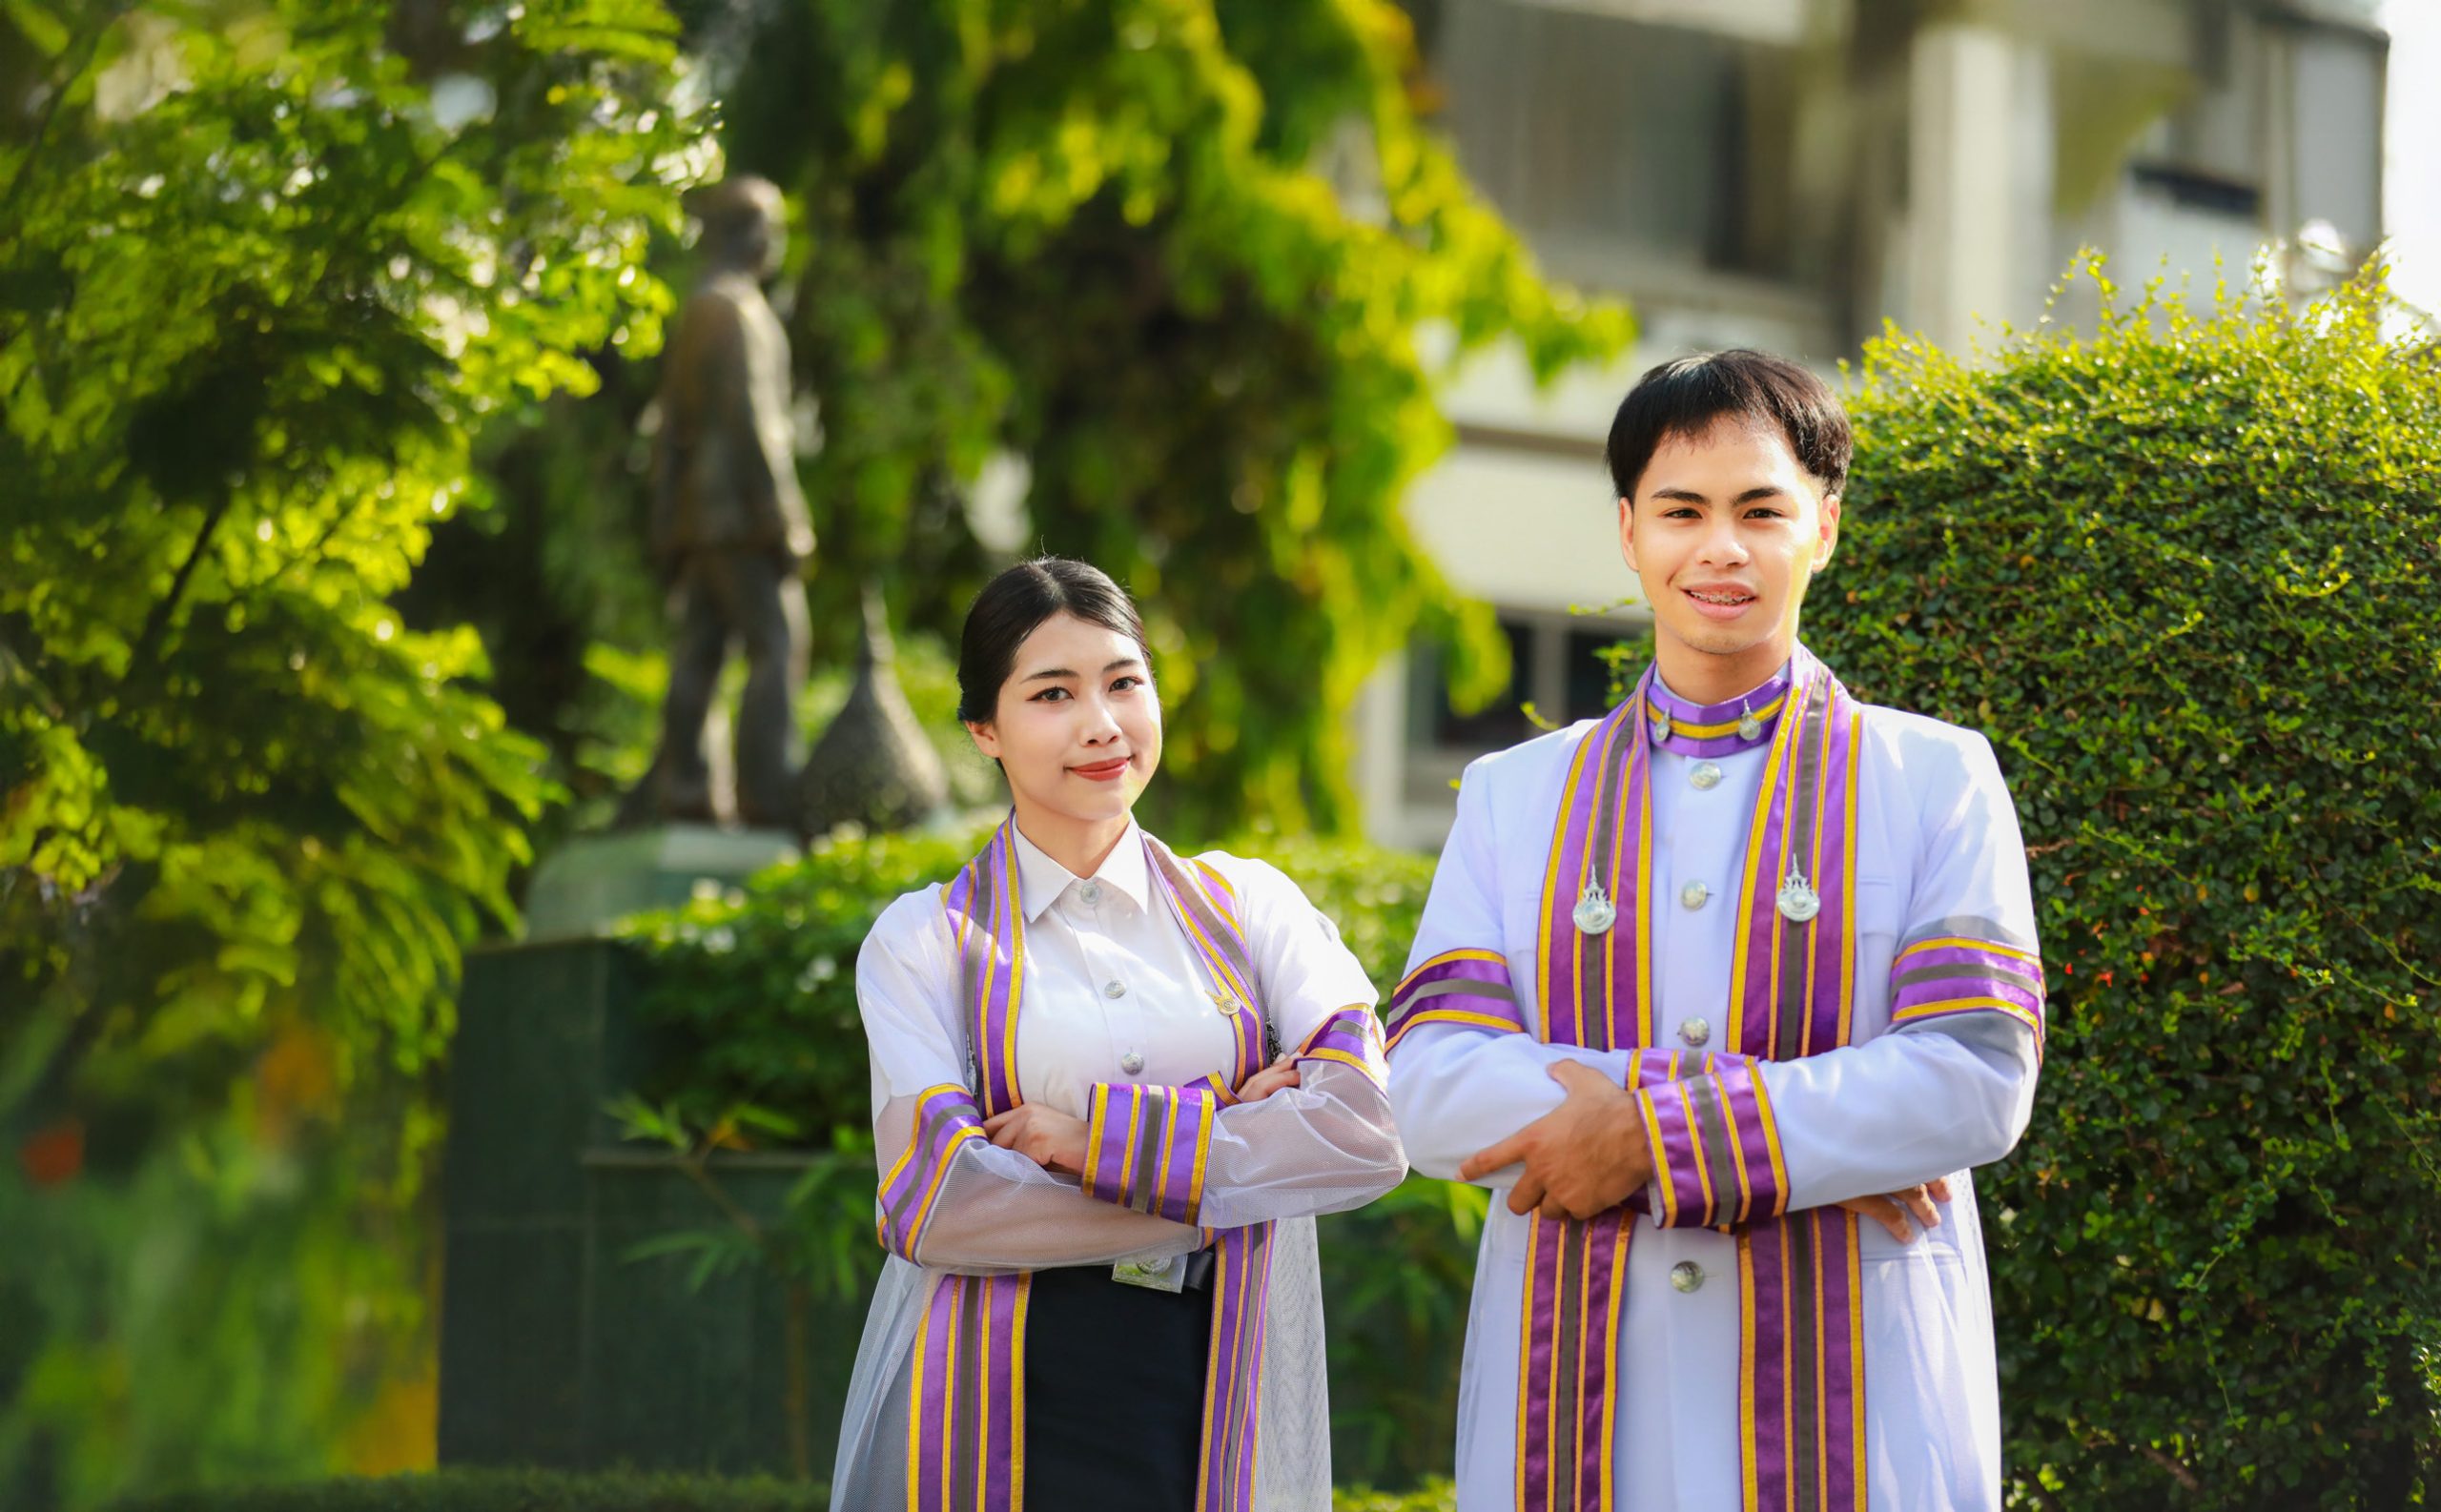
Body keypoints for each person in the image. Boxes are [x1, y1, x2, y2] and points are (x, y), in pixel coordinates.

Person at [1386, 351, 2043, 1510]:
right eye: (1682, 510)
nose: (1720, 548)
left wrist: (1638, 1133)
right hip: (1579, 1388)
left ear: (1824, 527)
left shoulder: (1935, 776)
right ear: (1628, 531)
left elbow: (1971, 1077)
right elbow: (1429, 1083)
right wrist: (1795, 1132)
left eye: (1761, 511)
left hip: (1861, 1397)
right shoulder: (1512, 793)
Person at [829, 558, 1406, 1512]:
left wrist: (1090, 1139)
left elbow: (1364, 1132)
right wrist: (1234, 1153)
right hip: (1005, 1403)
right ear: (984, 728)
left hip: (1219, 1377)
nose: (1101, 723)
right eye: (1053, 693)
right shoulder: (925, 939)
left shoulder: (1253, 905)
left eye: (1123, 682)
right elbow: (937, 1204)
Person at [636, 174, 814, 828]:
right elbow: (752, 421)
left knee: (702, 651)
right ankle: (765, 796)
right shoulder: (737, 311)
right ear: (752, 234)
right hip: (739, 514)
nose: (779, 242)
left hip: (699, 514)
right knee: (778, 642)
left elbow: (673, 426)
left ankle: (686, 793)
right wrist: (784, 518)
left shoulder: (700, 306)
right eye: (775, 228)